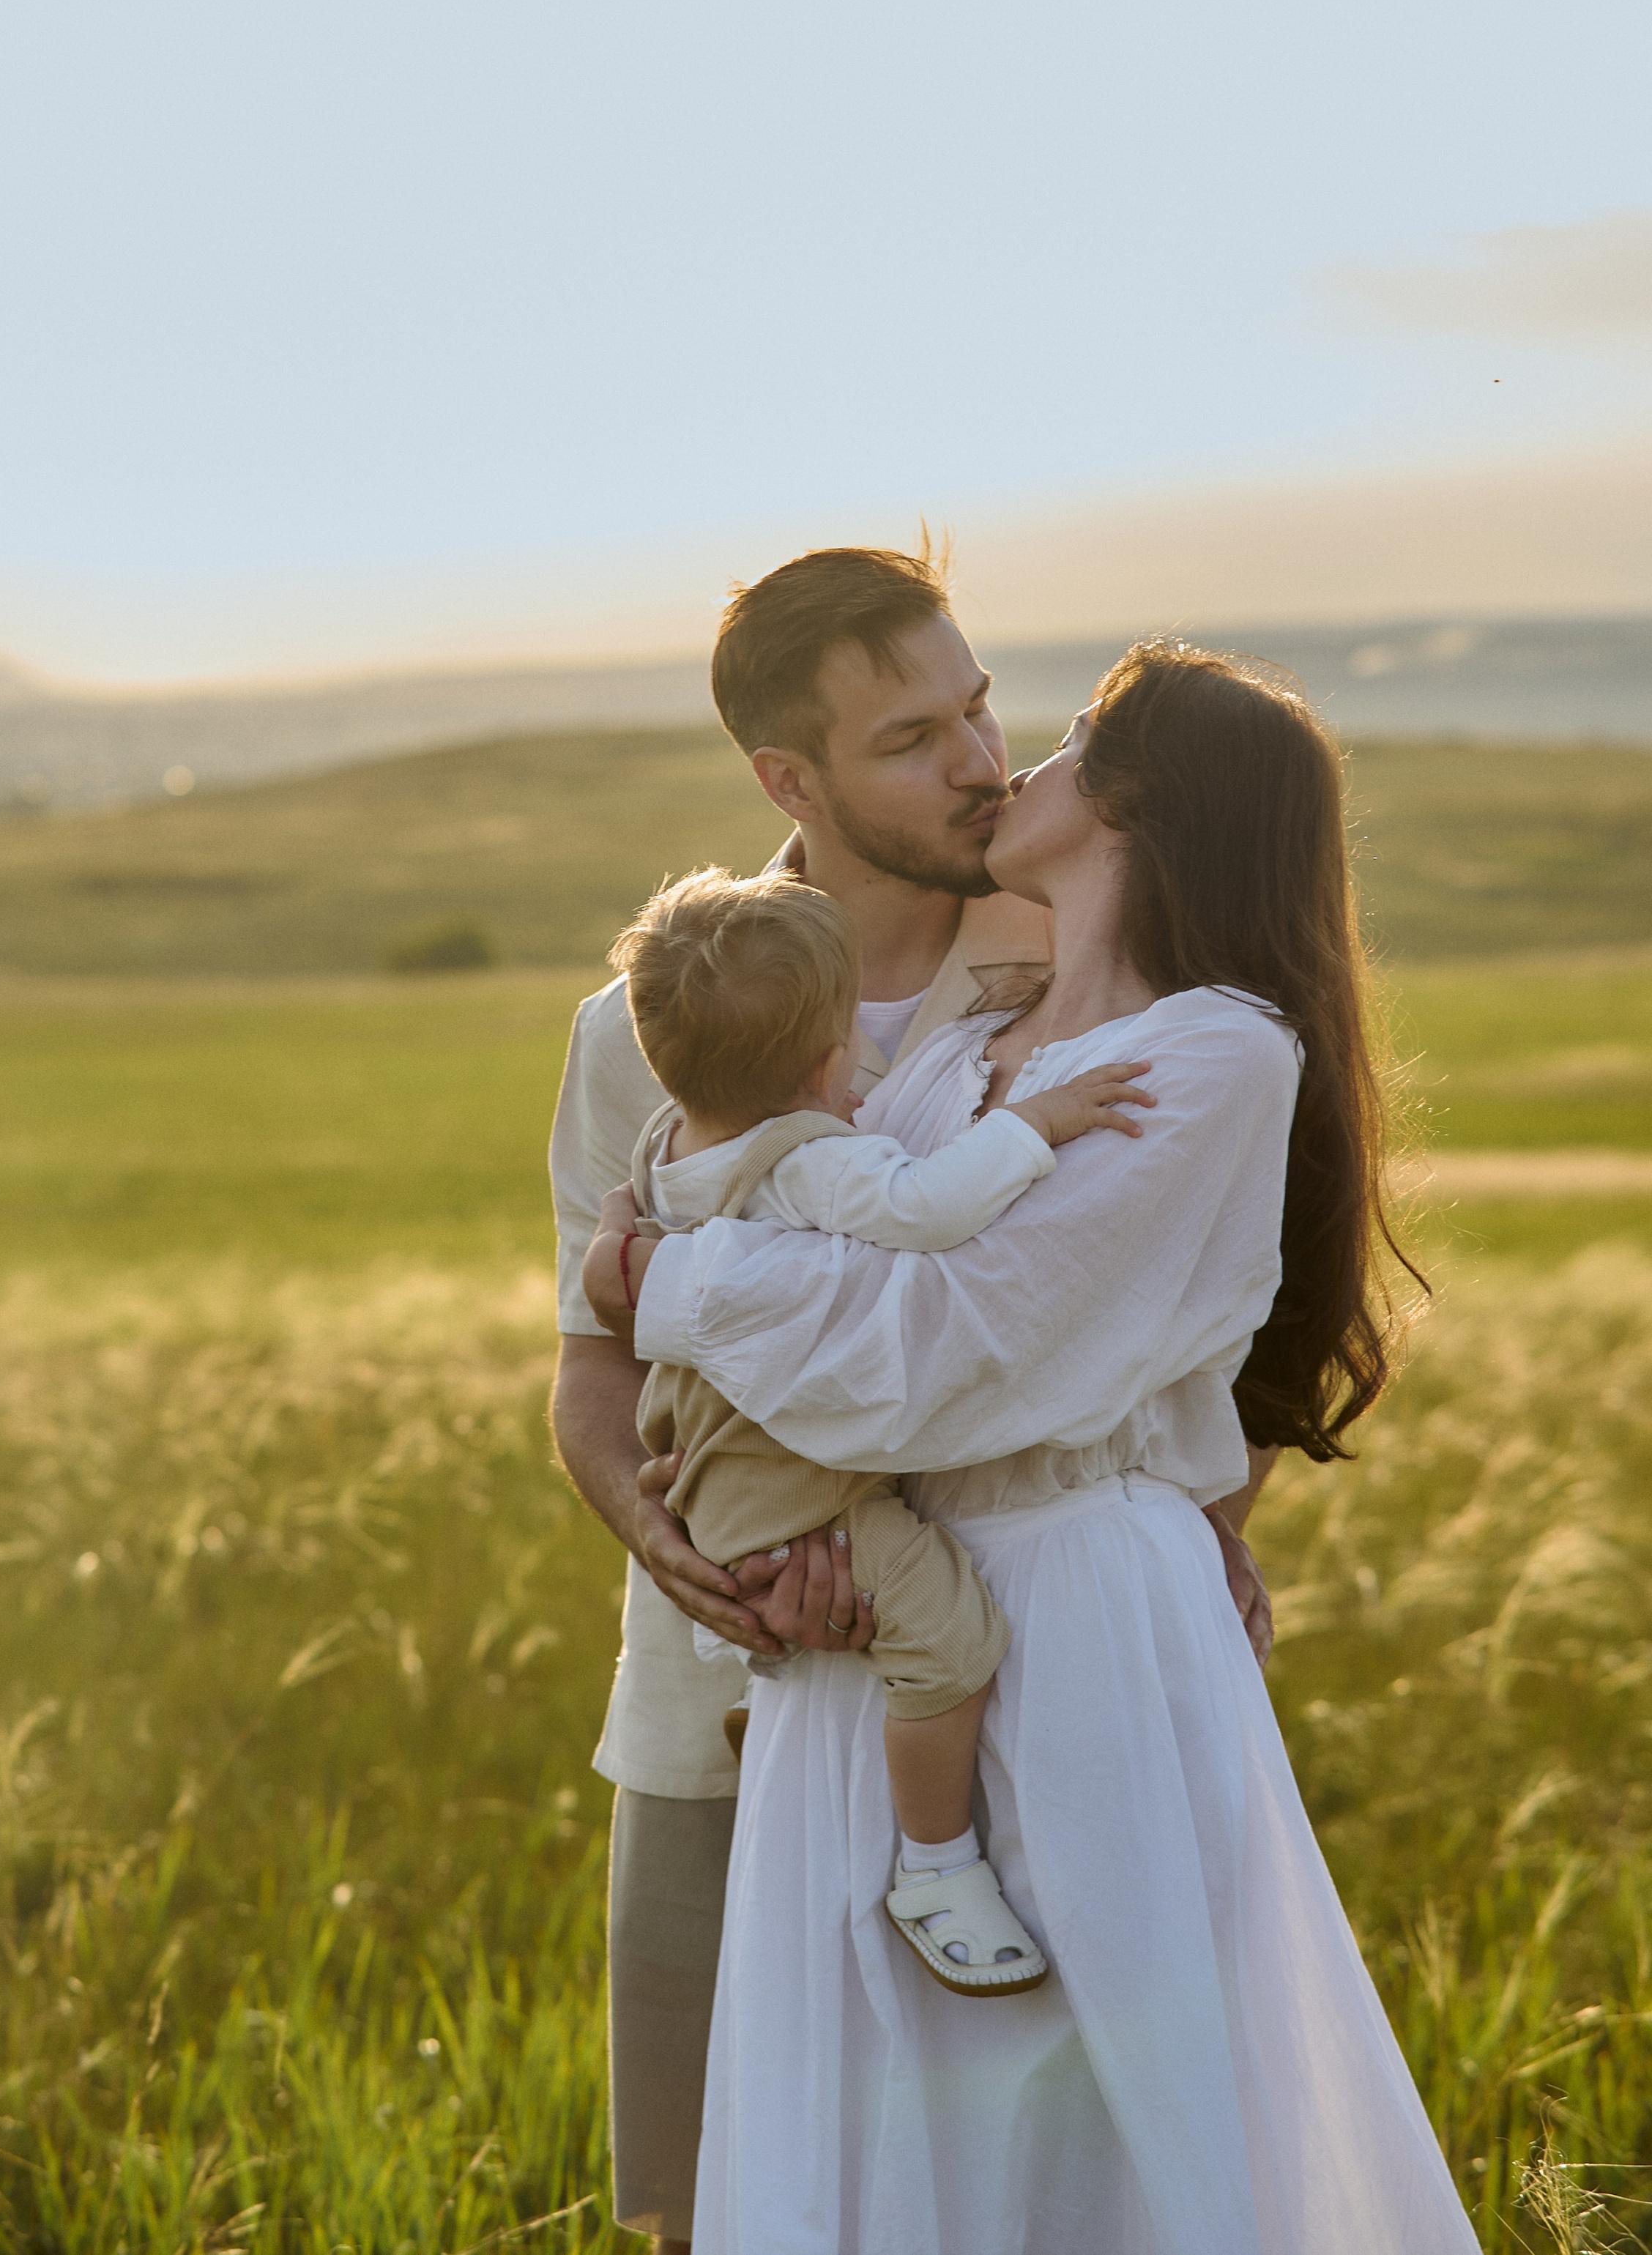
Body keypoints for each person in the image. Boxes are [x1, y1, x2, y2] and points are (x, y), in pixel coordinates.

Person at [588, 641, 1477, 2255]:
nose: (1018, 765)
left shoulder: (1207, 1051)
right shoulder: (946, 1058)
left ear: (1135, 804)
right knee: (873, 2128)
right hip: (864, 1638)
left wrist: (682, 1288)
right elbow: (841, 1305)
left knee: (1084, 2127)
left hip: (1068, 1619)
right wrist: (756, 1515)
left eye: (1064, 739)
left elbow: (945, 1360)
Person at [613, 861, 1156, 1997]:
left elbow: (620, 1263)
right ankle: (934, 1860)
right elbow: (925, 1206)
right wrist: (1034, 1125)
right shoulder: (812, 1158)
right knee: (954, 1640)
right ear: (827, 1067)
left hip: (709, 1468)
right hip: (800, 1490)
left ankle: (769, 1709)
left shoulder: (665, 1150)